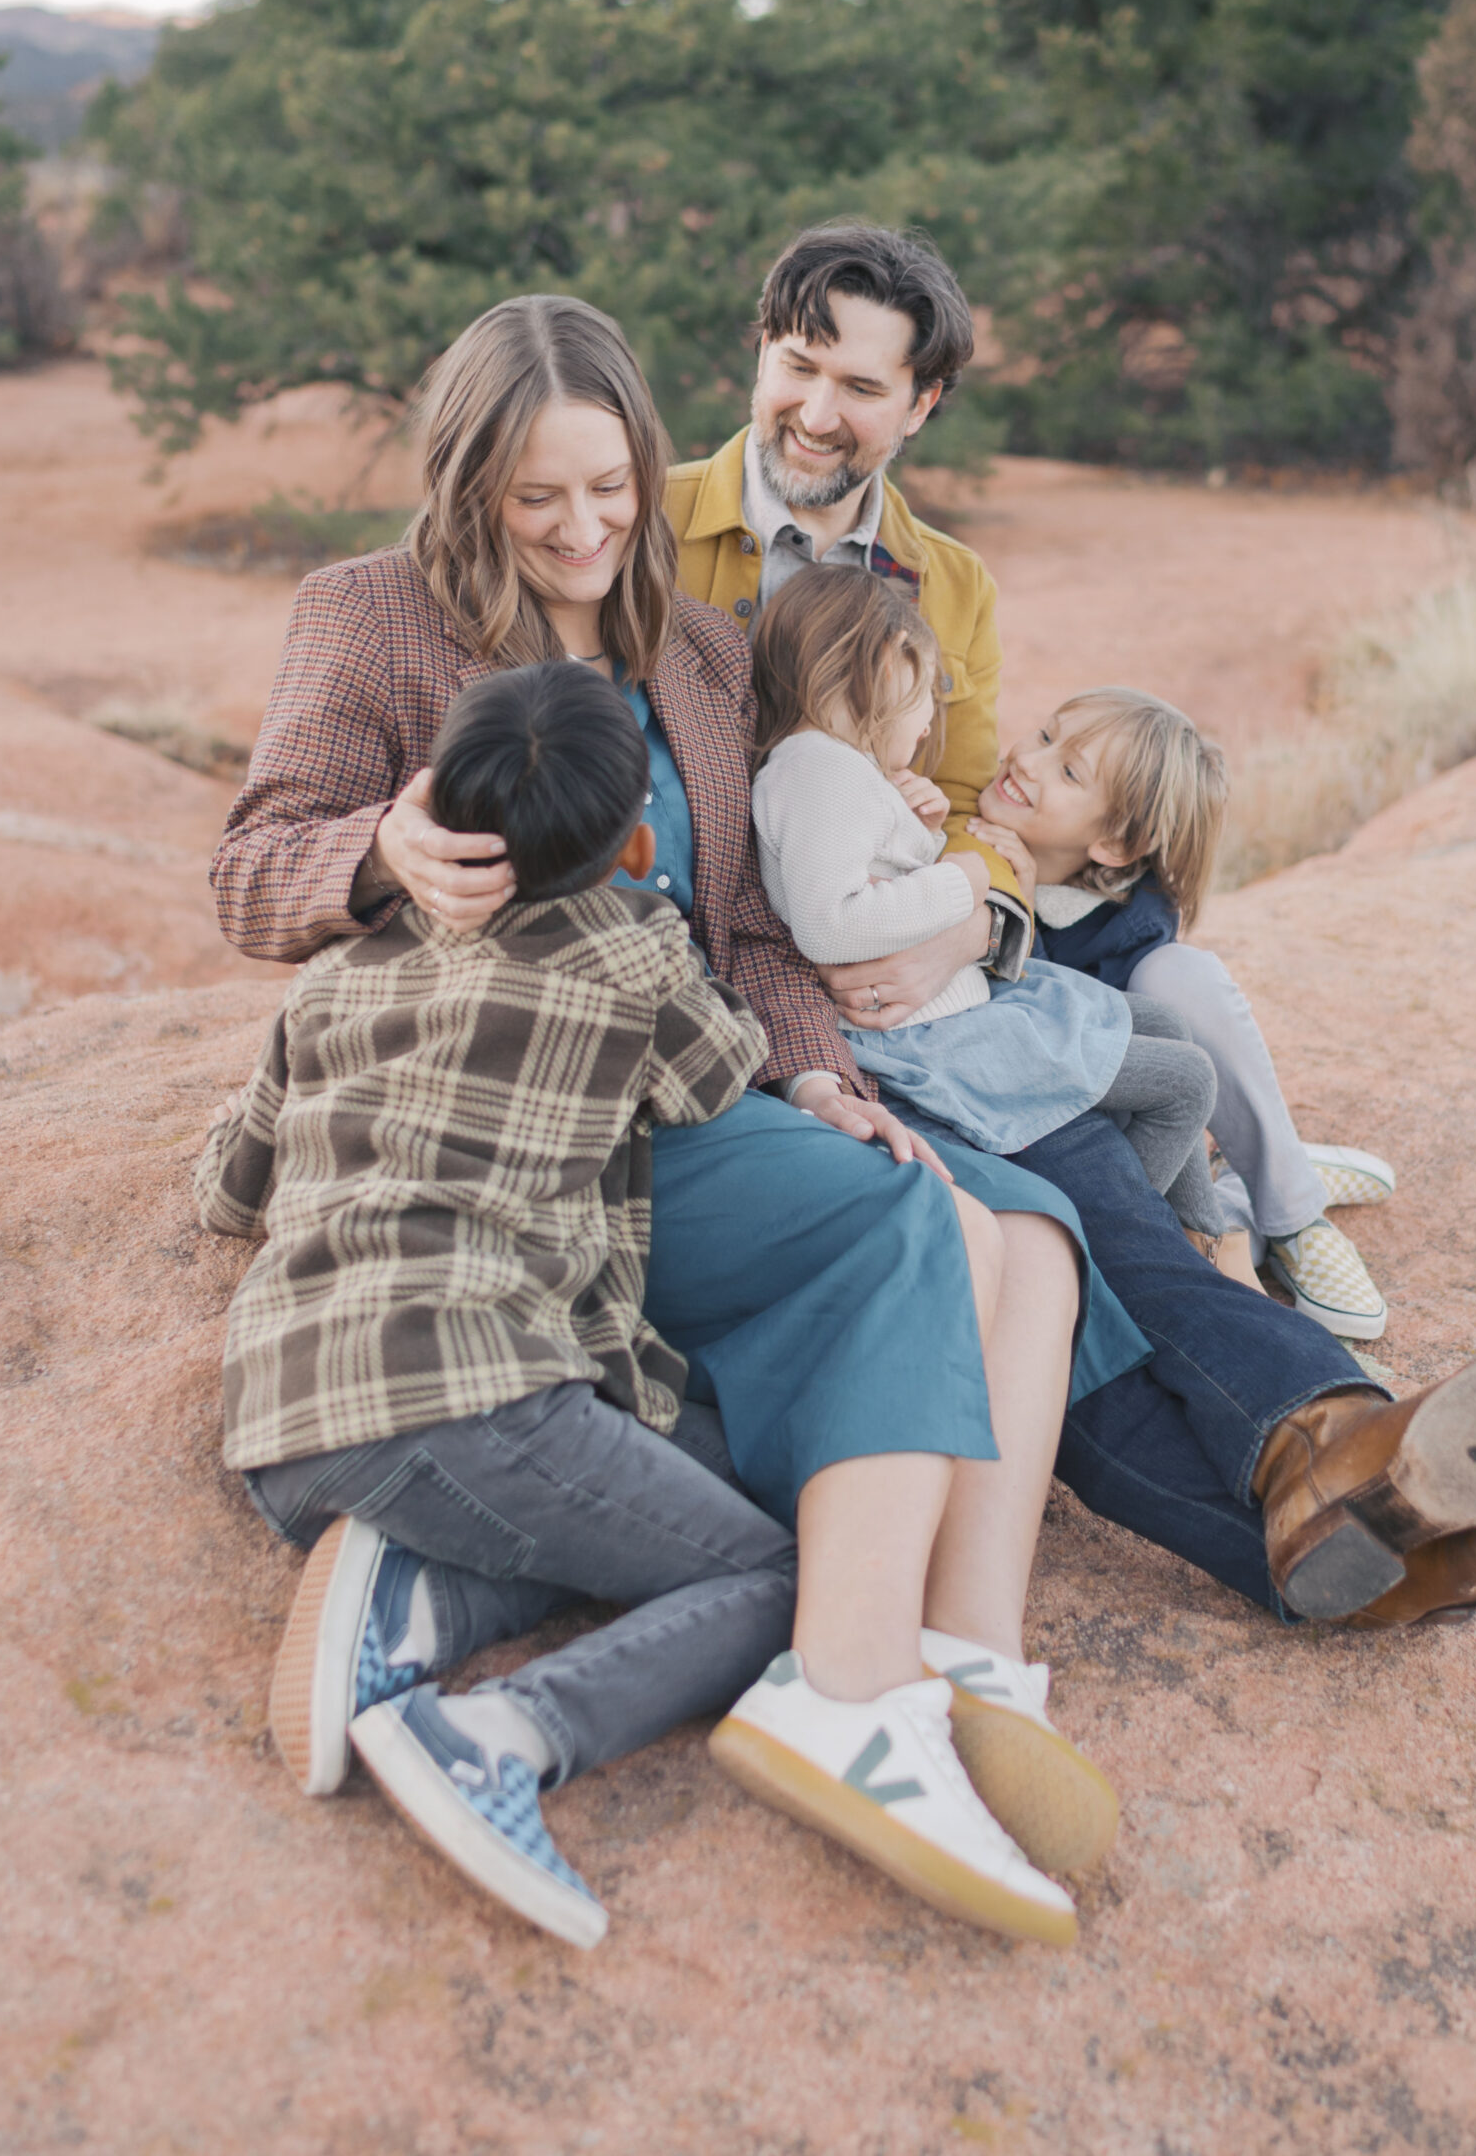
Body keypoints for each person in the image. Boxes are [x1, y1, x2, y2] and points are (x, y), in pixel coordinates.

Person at [212, 292, 1152, 1943]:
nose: (583, 532)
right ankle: (853, 1686)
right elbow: (249, 868)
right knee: (903, 1223)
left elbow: (757, 936)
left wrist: (811, 1074)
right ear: (463, 487)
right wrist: (380, 854)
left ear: (651, 472)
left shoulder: (702, 652)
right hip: (523, 1117)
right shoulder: (368, 619)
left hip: (697, 1083)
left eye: (613, 489)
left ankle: (941, 1659)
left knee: (1010, 1226)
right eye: (537, 498)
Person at [665, 219, 1476, 1628]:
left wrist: (967, 906)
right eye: (800, 366)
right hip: (743, 1015)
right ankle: (1321, 1446)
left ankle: (1317, 1516)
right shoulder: (649, 529)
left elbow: (977, 808)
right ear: (760, 349)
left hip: (920, 989)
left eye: (863, 388)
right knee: (1074, 1224)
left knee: (1077, 1245)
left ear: (920, 408)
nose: (817, 410)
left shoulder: (948, 588)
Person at [200, 659, 780, 1947]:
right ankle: (495, 1736)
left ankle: (415, 1594)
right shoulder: (633, 948)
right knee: (773, 1572)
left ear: (428, 799)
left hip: (280, 1419)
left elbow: (229, 1190)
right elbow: (722, 1074)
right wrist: (652, 910)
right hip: (462, 1392)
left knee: (700, 1460)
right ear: (631, 839)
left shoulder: (334, 975)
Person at [748, 563, 1222, 1224]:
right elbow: (834, 919)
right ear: (873, 685)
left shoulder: (837, 772)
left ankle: (1195, 1224)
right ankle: (1151, 1230)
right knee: (1187, 1082)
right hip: (928, 1036)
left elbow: (861, 868)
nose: (928, 724)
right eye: (924, 697)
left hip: (957, 1009)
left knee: (1167, 1027)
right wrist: (965, 879)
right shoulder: (819, 772)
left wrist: (917, 831)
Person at [995, 684, 1393, 1339]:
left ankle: (1294, 1214)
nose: (1027, 761)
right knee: (1160, 1245)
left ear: (1118, 846)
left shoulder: (1130, 928)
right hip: (1048, 1139)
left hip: (1137, 1129)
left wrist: (1029, 901)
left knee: (1180, 974)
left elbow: (1080, 1028)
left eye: (1068, 771)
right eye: (1044, 735)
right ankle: (1261, 1181)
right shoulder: (965, 836)